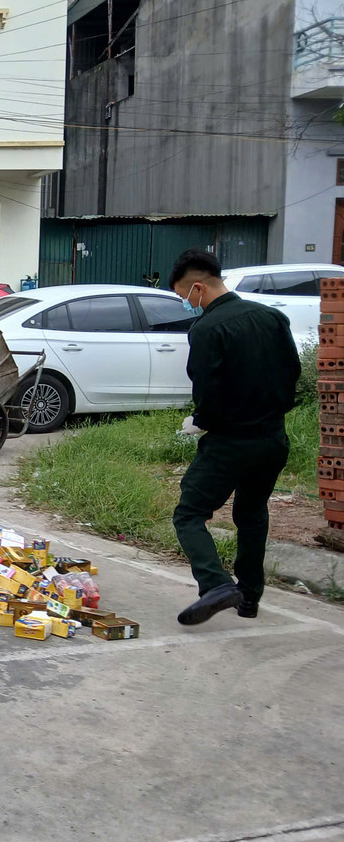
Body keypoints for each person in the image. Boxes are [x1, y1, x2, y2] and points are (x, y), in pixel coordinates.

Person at [169, 248, 300, 625]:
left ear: (197, 287)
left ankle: (216, 584)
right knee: (252, 513)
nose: (187, 304)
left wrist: (200, 420)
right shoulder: (273, 318)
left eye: (184, 296)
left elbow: (206, 389)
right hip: (273, 438)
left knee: (190, 514)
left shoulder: (208, 329)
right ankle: (249, 597)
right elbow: (292, 372)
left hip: (230, 442)